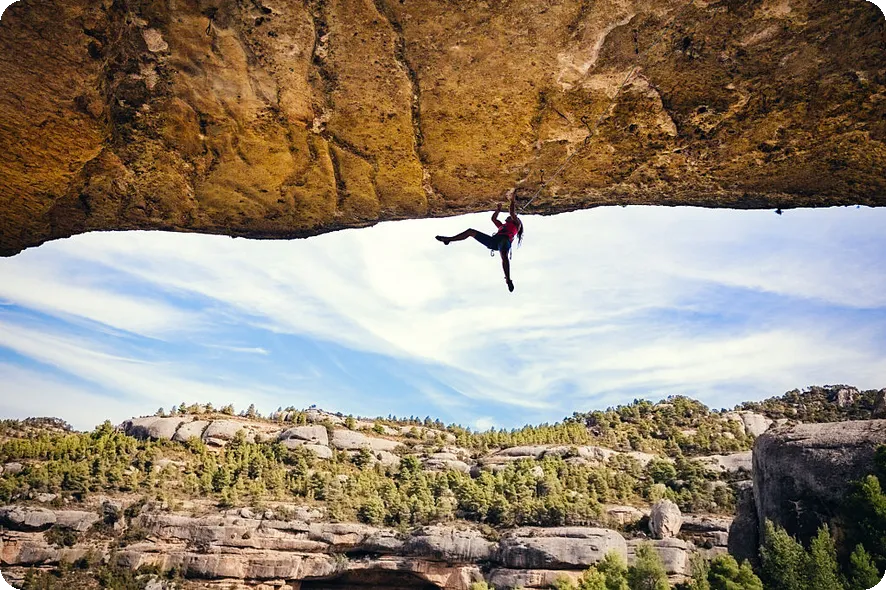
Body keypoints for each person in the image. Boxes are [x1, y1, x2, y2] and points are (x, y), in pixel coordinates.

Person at [435, 189, 524, 292]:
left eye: (509, 217)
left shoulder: (517, 224)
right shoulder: (502, 226)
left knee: (504, 257)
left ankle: (508, 279)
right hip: (494, 241)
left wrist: (512, 200)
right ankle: (449, 239)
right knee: (470, 231)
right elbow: (494, 219)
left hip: (504, 241)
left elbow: (512, 213)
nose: (507, 218)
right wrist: (498, 210)